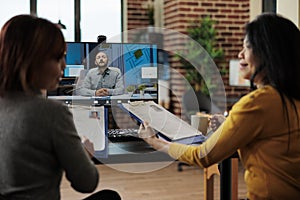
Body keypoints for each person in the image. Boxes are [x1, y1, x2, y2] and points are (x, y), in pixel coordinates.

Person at [138, 13, 300, 199]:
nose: (240, 54)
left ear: (267, 53)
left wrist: (155, 142)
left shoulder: (258, 103)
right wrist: (231, 126)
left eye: (247, 47)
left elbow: (203, 155)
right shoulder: (289, 97)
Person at [0, 15, 121, 200]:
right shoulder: (52, 113)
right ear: (32, 60)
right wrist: (85, 154)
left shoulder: (115, 73)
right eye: (58, 58)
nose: (64, 66)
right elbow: (86, 183)